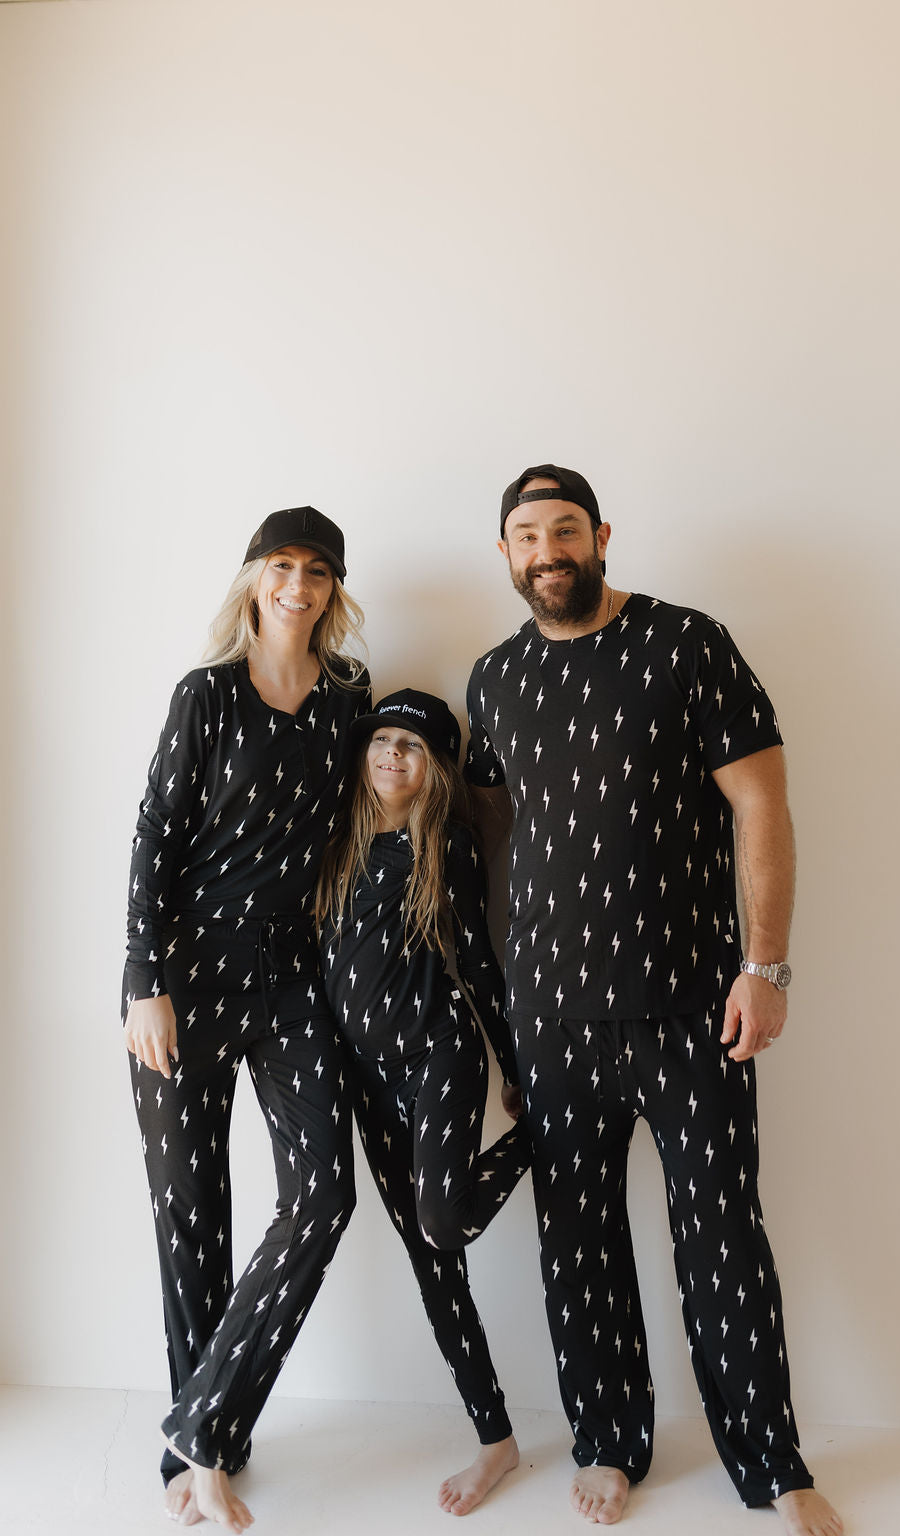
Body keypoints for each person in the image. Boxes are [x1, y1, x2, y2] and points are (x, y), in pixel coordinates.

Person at [464, 465, 843, 1535]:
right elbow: (496, 838)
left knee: (723, 1233)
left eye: (566, 529)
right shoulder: (492, 680)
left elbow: (761, 803)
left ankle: (770, 1461)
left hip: (690, 1006)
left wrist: (763, 966)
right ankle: (607, 1442)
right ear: (505, 553)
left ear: (601, 536)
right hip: (551, 1016)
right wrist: (499, 999)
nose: (549, 550)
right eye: (527, 534)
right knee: (575, 1241)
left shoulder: (688, 644)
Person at [122, 507, 370, 1533]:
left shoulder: (350, 698)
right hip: (183, 974)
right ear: (254, 579)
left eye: (316, 571)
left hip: (292, 973)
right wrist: (143, 983)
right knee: (193, 1211)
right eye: (282, 566)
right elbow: (154, 838)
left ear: (332, 590)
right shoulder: (207, 696)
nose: (297, 585)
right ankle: (202, 1457)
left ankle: (201, 1426)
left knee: (323, 1194)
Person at [316, 688, 530, 1517]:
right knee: (433, 1264)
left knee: (444, 1224)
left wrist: (515, 1070)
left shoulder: (444, 847)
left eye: (411, 745)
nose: (391, 755)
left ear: (436, 765)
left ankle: (538, 1138)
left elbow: (480, 964)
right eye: (382, 739)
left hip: (438, 1059)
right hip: (365, 1080)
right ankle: (496, 1438)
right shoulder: (335, 842)